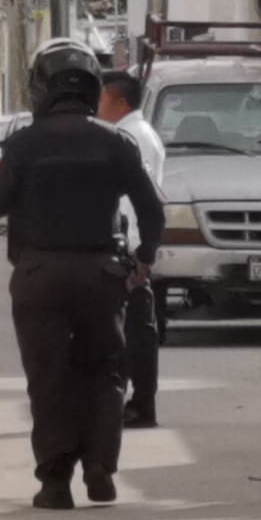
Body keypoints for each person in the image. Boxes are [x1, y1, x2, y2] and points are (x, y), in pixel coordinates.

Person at [0, 39, 163, 510]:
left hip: (39, 275)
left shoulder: (22, 144)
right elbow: (151, 209)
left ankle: (55, 481)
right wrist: (144, 258)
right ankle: (100, 467)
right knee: (104, 371)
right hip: (102, 274)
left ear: (43, 87)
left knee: (48, 376)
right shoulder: (116, 142)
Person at [98, 71, 167, 429]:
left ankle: (139, 404)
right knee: (135, 331)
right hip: (136, 247)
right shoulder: (138, 134)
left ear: (120, 102)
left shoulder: (131, 137)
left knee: (135, 334)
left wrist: (133, 254)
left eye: (101, 99)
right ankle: (133, 401)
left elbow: (132, 203)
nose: (96, 107)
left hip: (132, 249)